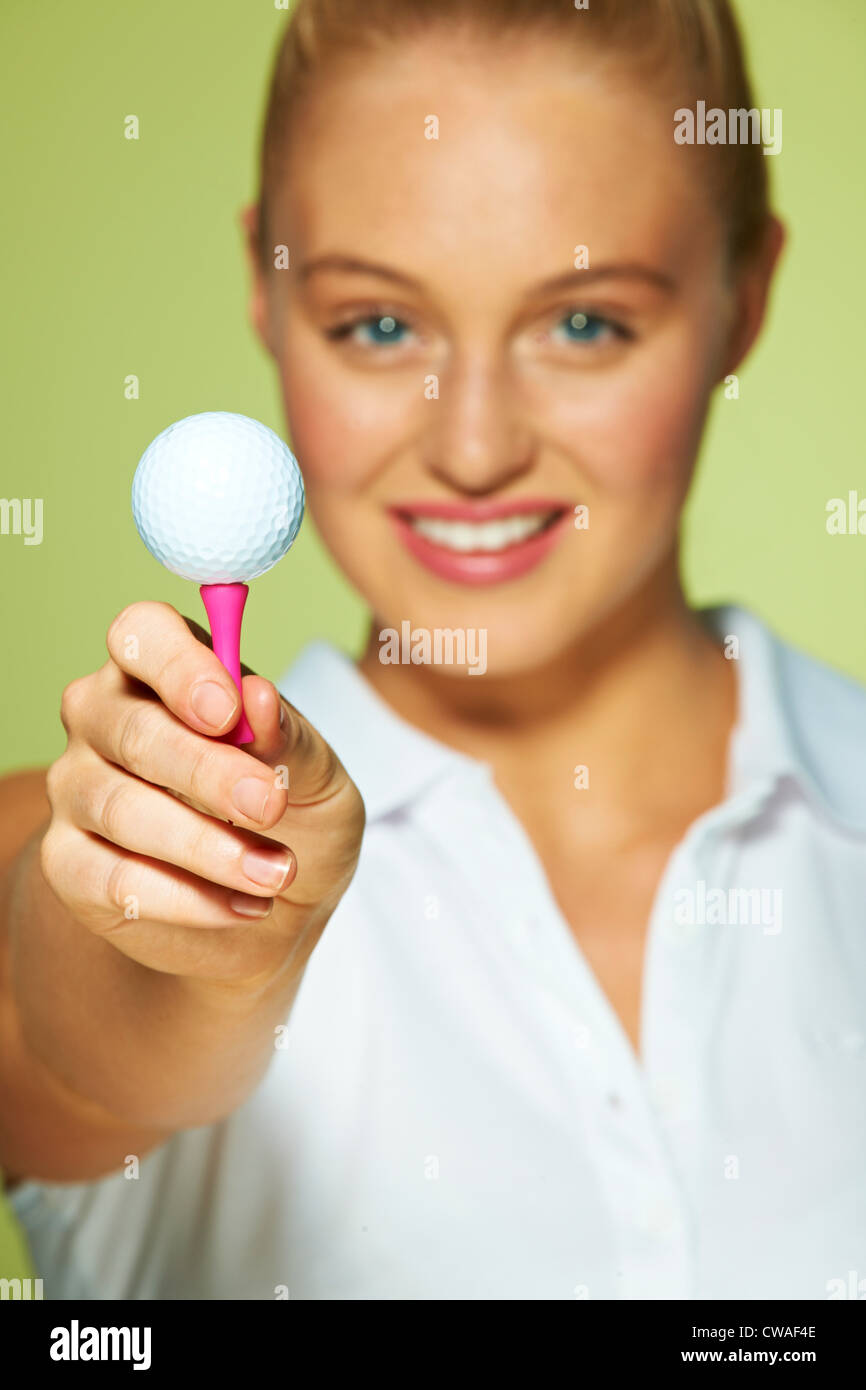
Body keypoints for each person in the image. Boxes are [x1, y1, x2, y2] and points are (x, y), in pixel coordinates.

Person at [2, 0, 865, 1300]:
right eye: (378, 325)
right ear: (265, 286)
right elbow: (81, 1043)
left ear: (744, 297)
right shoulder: (89, 839)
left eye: (583, 324)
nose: (470, 448)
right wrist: (207, 952)